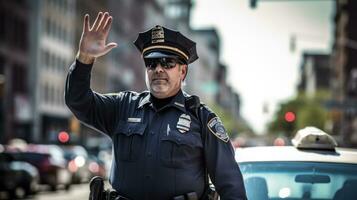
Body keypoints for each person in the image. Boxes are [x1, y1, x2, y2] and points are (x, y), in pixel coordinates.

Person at [65, 11, 247, 200]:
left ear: (183, 72)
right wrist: (84, 59)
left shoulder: (202, 119)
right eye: (151, 63)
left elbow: (230, 185)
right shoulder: (122, 107)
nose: (158, 69)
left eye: (167, 63)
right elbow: (78, 101)